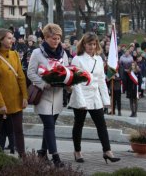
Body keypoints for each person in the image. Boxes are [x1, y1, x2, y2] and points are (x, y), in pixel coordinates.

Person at [68, 32, 120, 164]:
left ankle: (107, 151)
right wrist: (81, 102)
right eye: (89, 44)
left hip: (95, 96)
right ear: (84, 44)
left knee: (101, 124)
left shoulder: (99, 59)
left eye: (94, 44)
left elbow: (101, 80)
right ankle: (77, 151)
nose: (92, 46)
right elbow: (76, 82)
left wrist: (106, 100)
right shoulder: (77, 59)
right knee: (79, 124)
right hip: (81, 95)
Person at [27, 23, 68, 167]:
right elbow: (30, 72)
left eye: (58, 38)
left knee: (49, 126)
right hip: (43, 94)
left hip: (57, 95)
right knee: (49, 125)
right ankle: (55, 156)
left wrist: (68, 81)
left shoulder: (63, 53)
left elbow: (67, 72)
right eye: (53, 38)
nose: (56, 41)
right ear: (45, 38)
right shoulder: (37, 53)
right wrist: (44, 83)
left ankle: (42, 152)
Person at [0, 28, 28, 157]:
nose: (12, 40)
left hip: (15, 100)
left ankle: (24, 158)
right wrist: (0, 104)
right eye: (9, 38)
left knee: (19, 130)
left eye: (12, 38)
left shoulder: (15, 54)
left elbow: (21, 77)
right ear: (1, 39)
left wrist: (25, 96)